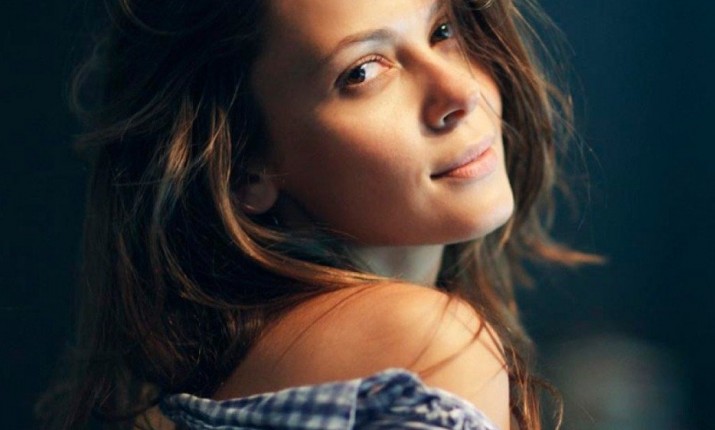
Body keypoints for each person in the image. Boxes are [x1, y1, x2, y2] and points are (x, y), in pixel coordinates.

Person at [39, 0, 599, 428]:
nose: (459, 92)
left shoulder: (239, 375)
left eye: (443, 31)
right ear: (245, 169)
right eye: (362, 72)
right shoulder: (423, 343)